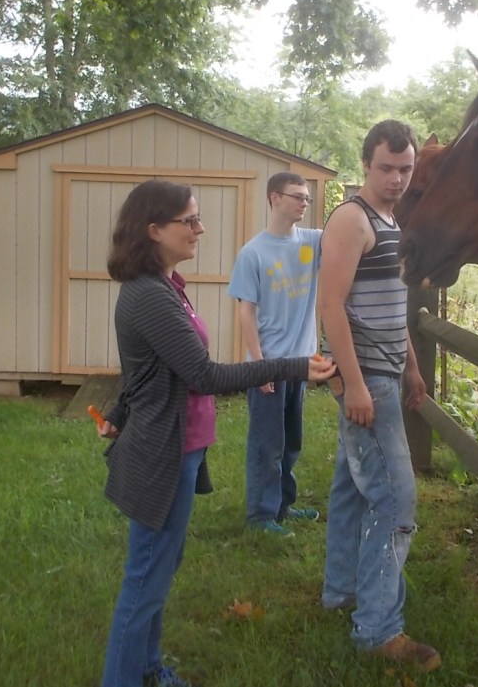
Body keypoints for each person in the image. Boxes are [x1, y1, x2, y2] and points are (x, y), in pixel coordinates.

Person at [97, 179, 335, 687]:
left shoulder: (167, 286)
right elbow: (203, 375)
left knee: (161, 567)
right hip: (162, 453)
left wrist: (119, 407)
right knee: (146, 578)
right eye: (189, 221)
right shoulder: (151, 296)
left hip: (179, 448)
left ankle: (148, 667)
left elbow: (143, 367)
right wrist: (292, 366)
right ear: (154, 230)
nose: (200, 229)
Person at [317, 120, 437, 671]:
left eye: (405, 169)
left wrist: (412, 366)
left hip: (387, 371)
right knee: (395, 498)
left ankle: (341, 591)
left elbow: (392, 304)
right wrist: (355, 384)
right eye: (386, 168)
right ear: (366, 164)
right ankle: (378, 630)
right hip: (366, 377)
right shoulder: (352, 218)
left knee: (351, 487)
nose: (396, 178)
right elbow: (331, 305)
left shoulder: (392, 220)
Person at [227, 172, 324, 536]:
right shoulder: (253, 252)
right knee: (266, 445)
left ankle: (283, 506)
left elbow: (350, 236)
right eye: (297, 196)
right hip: (268, 364)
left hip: (301, 364)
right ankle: (260, 515)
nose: (304, 203)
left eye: (306, 197)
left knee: (291, 441)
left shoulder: (312, 242)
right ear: (274, 198)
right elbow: (246, 312)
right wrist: (260, 364)